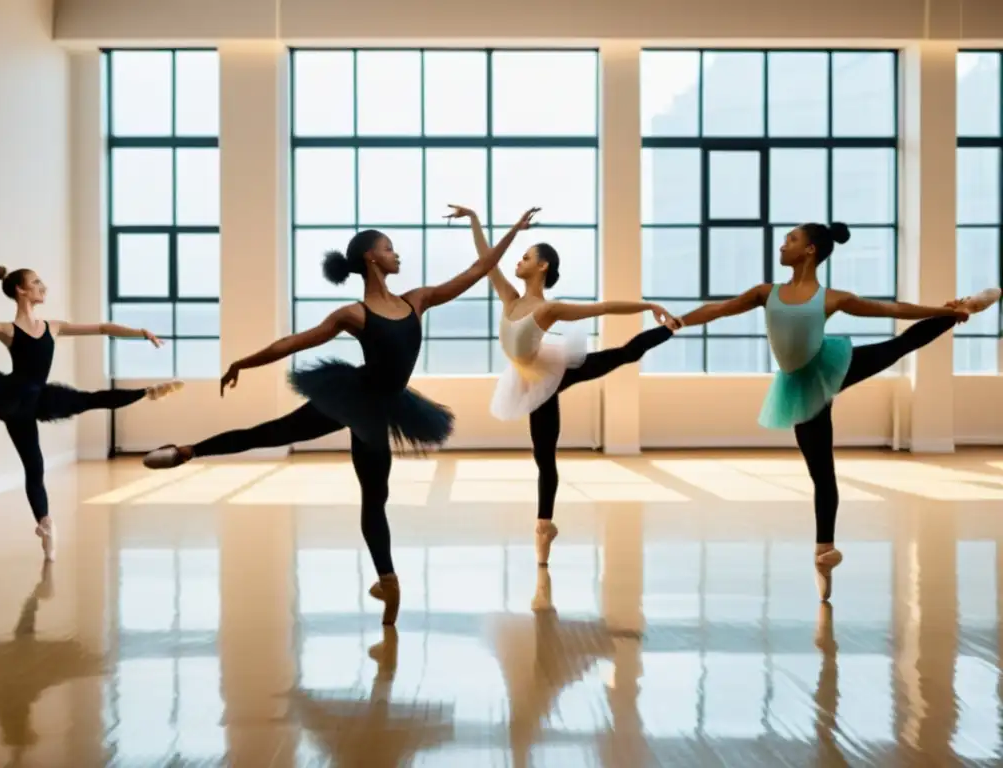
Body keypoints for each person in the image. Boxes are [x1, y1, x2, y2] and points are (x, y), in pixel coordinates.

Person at [142, 207, 539, 625]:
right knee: (285, 441)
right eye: (389, 248)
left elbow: (479, 269)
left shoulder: (416, 299)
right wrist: (245, 361)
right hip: (358, 397)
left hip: (378, 405)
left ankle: (387, 580)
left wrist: (513, 229)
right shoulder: (357, 313)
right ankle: (188, 450)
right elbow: (296, 342)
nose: (396, 253)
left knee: (368, 493)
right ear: (371, 258)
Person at [674, 222, 1000, 600]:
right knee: (822, 473)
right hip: (799, 387)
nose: (782, 245)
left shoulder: (831, 298)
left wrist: (946, 310)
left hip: (833, 364)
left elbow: (891, 309)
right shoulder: (766, 292)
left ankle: (967, 308)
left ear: (810, 250)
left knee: (897, 347)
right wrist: (680, 321)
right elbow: (719, 309)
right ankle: (822, 556)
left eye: (790, 240)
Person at [444, 206, 679, 567]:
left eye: (525, 257)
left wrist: (648, 304)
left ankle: (669, 327)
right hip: (527, 378)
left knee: (621, 355)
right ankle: (547, 527)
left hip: (552, 372)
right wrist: (475, 219)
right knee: (543, 456)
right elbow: (487, 260)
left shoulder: (548, 309)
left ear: (542, 267)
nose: (516, 262)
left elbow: (601, 308)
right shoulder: (510, 297)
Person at [0, 266, 182, 561]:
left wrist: (140, 333)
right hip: (12, 398)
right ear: (21, 290)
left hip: (40, 398)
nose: (43, 287)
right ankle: (46, 525)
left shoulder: (54, 327)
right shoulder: (4, 329)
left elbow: (101, 328)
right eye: (36, 282)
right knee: (34, 467)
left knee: (90, 400)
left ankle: (148, 392)